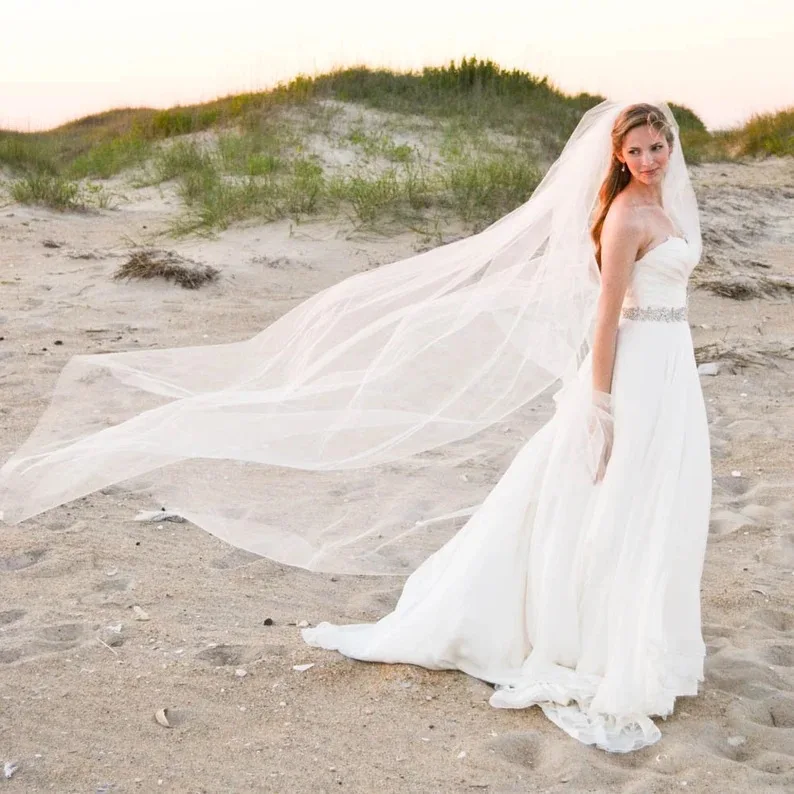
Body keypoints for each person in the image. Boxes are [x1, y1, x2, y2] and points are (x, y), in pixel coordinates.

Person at [0, 98, 710, 752]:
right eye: (638, 150)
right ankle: (590, 635)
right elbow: (605, 312)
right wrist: (600, 402)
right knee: (612, 493)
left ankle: (638, 631)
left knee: (655, 498)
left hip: (671, 365)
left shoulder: (668, 208)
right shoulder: (624, 217)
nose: (650, 159)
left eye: (658, 147)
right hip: (636, 368)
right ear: (619, 157)